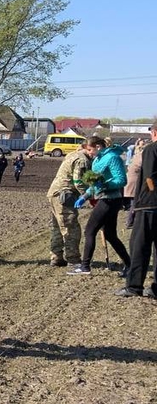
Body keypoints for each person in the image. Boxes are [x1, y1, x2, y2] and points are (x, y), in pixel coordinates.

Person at [68, 135, 130, 275]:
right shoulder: (98, 159)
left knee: (90, 230)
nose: (89, 153)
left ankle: (84, 267)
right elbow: (95, 183)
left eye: (90, 149)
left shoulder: (113, 158)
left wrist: (105, 185)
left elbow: (121, 180)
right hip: (106, 198)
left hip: (110, 200)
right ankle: (130, 265)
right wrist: (84, 196)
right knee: (110, 235)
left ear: (98, 147)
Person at [115, 124, 157, 298]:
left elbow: (149, 176)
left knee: (139, 245)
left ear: (154, 133)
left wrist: (152, 192)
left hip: (149, 204)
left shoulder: (151, 149)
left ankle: (134, 286)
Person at [46, 141, 96, 267]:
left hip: (55, 193)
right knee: (71, 227)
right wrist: (88, 195)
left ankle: (56, 256)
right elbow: (78, 181)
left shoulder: (73, 155)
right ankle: (73, 259)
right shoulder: (82, 160)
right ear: (89, 148)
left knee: (57, 227)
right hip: (65, 194)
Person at [124, 137, 147, 228]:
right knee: (134, 203)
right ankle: (130, 221)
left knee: (134, 202)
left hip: (131, 181)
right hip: (134, 182)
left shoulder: (136, 156)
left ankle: (131, 221)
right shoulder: (141, 157)